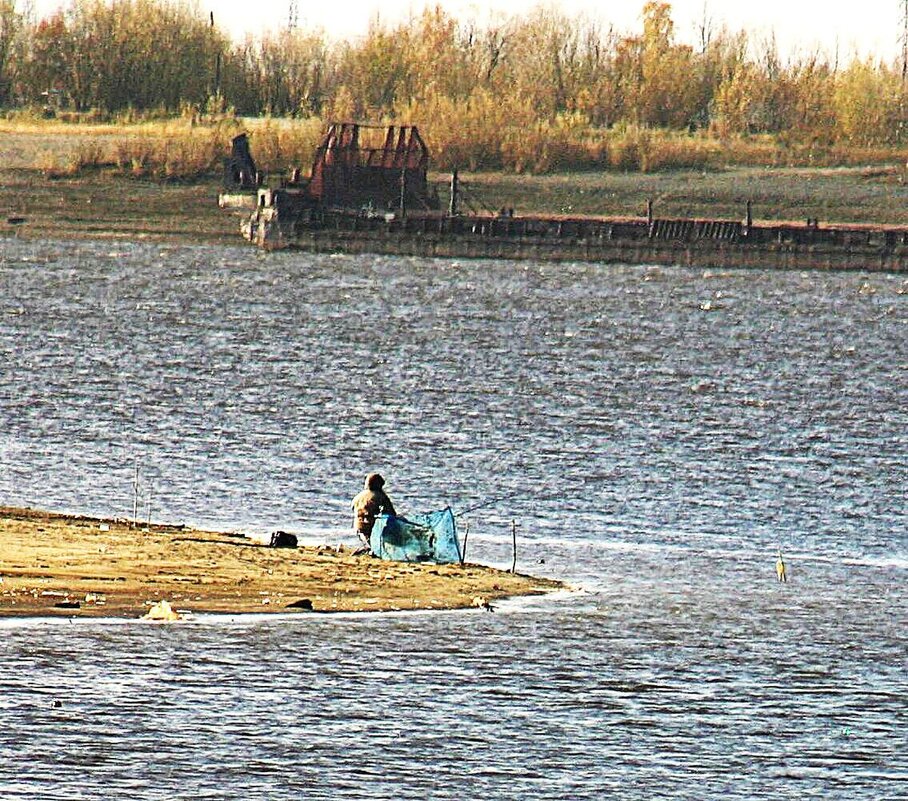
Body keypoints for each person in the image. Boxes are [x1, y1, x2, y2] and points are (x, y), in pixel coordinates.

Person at [351, 473, 396, 552]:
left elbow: (353, 509)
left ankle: (370, 548)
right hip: (371, 527)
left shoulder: (358, 497)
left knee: (369, 542)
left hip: (358, 527)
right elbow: (391, 512)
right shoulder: (380, 496)